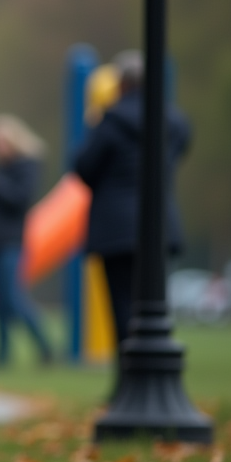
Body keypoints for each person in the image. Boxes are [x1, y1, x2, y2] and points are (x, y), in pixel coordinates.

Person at [74, 50, 190, 354]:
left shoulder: (110, 121)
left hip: (116, 226)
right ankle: (156, 373)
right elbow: (181, 147)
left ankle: (127, 380)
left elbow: (84, 167)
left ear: (121, 84)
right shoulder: (173, 119)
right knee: (153, 305)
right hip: (160, 222)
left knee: (122, 305)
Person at [0, 114, 52, 367]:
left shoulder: (26, 166)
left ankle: (46, 347)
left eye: (0, 141)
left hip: (11, 241)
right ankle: (3, 354)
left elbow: (19, 199)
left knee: (13, 298)